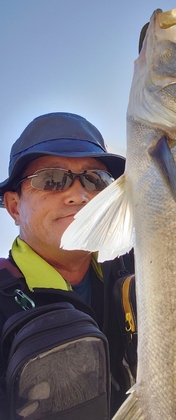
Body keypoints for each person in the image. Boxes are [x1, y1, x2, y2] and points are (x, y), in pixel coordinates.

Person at [0, 112, 136, 419]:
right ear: (13, 207)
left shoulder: (142, 267)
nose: (79, 194)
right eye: (51, 179)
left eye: (95, 179)